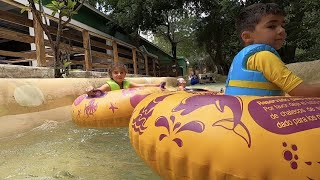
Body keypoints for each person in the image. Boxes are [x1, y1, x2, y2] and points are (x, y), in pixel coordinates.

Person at [225, 3, 320, 97]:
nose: (282, 30)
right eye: (271, 26)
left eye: (282, 26)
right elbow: (303, 92)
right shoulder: (265, 57)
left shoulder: (243, 58)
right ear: (247, 36)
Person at [86, 62, 165, 97]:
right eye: (116, 73)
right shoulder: (108, 86)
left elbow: (143, 85)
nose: (119, 75)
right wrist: (90, 90)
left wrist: (158, 85)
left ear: (125, 74)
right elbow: (97, 91)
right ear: (111, 74)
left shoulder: (127, 83)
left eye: (121, 72)